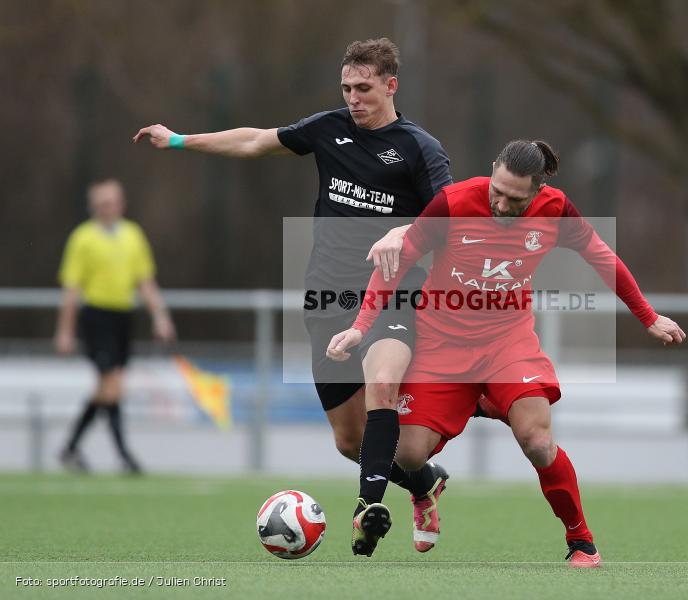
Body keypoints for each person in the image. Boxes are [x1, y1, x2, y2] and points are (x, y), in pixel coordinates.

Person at [133, 38, 452, 555]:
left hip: (393, 295)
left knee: (382, 383)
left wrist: (404, 235)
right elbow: (255, 141)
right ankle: (423, 485)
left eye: (365, 88)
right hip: (327, 298)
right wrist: (177, 141)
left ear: (391, 86)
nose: (354, 97)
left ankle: (367, 507)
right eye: (347, 87)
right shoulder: (328, 129)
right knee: (350, 441)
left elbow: (450, 213)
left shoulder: (419, 147)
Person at [327, 139, 686, 567]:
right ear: (492, 168)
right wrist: (360, 327)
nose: (500, 203)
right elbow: (398, 263)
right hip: (441, 345)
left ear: (537, 191)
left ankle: (581, 541)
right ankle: (477, 405)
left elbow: (602, 257)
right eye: (497, 190)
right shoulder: (454, 202)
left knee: (536, 440)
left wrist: (647, 316)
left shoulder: (556, 210)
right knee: (407, 454)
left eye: (515, 199)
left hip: (507, 343)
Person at [55, 179, 176, 474]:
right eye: (100, 204)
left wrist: (160, 316)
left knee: (109, 388)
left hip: (123, 318)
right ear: (92, 207)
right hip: (96, 317)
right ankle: (124, 455)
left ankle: (70, 448)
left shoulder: (133, 235)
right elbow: (71, 290)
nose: (105, 209)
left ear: (120, 204)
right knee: (112, 385)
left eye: (110, 202)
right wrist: (65, 330)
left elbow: (145, 281)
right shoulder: (82, 239)